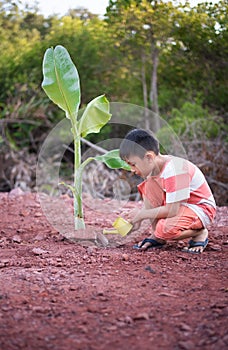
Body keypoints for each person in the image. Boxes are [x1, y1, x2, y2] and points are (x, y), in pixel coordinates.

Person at [119, 128, 216, 253]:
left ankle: (200, 233)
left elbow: (172, 210)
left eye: (133, 164)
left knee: (164, 230)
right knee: (148, 184)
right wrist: (136, 219)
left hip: (200, 208)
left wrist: (142, 214)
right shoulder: (154, 171)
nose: (132, 169)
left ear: (149, 157)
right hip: (180, 205)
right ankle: (158, 237)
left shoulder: (176, 169)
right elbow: (157, 203)